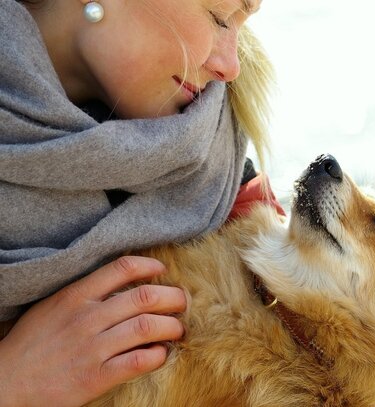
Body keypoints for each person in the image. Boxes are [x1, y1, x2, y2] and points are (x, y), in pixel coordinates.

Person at [0, 0, 282, 405]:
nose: (230, 66)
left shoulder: (224, 185)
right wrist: (12, 382)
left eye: (242, 25)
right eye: (219, 17)